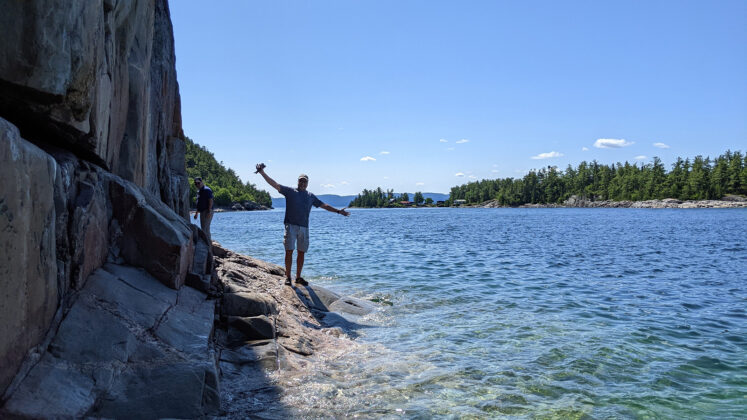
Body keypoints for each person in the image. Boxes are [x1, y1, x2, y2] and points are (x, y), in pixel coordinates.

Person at [256, 164, 349, 287]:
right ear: (298, 181)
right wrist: (262, 173)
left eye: (305, 181)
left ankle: (298, 277)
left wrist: (338, 211)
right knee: (289, 251)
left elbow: (324, 205)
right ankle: (288, 277)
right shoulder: (290, 192)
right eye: (301, 181)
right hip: (291, 226)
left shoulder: (310, 196)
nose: (303, 183)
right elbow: (274, 184)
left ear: (307, 183)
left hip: (304, 228)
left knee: (301, 252)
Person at [193, 177, 214, 242]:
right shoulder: (199, 191)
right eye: (195, 184)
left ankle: (208, 244)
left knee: (205, 229)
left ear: (202, 182)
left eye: (198, 183)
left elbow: (210, 201)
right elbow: (199, 203)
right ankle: (207, 242)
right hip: (202, 212)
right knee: (203, 228)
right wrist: (196, 213)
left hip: (207, 211)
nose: (197, 185)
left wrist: (209, 212)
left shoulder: (207, 190)